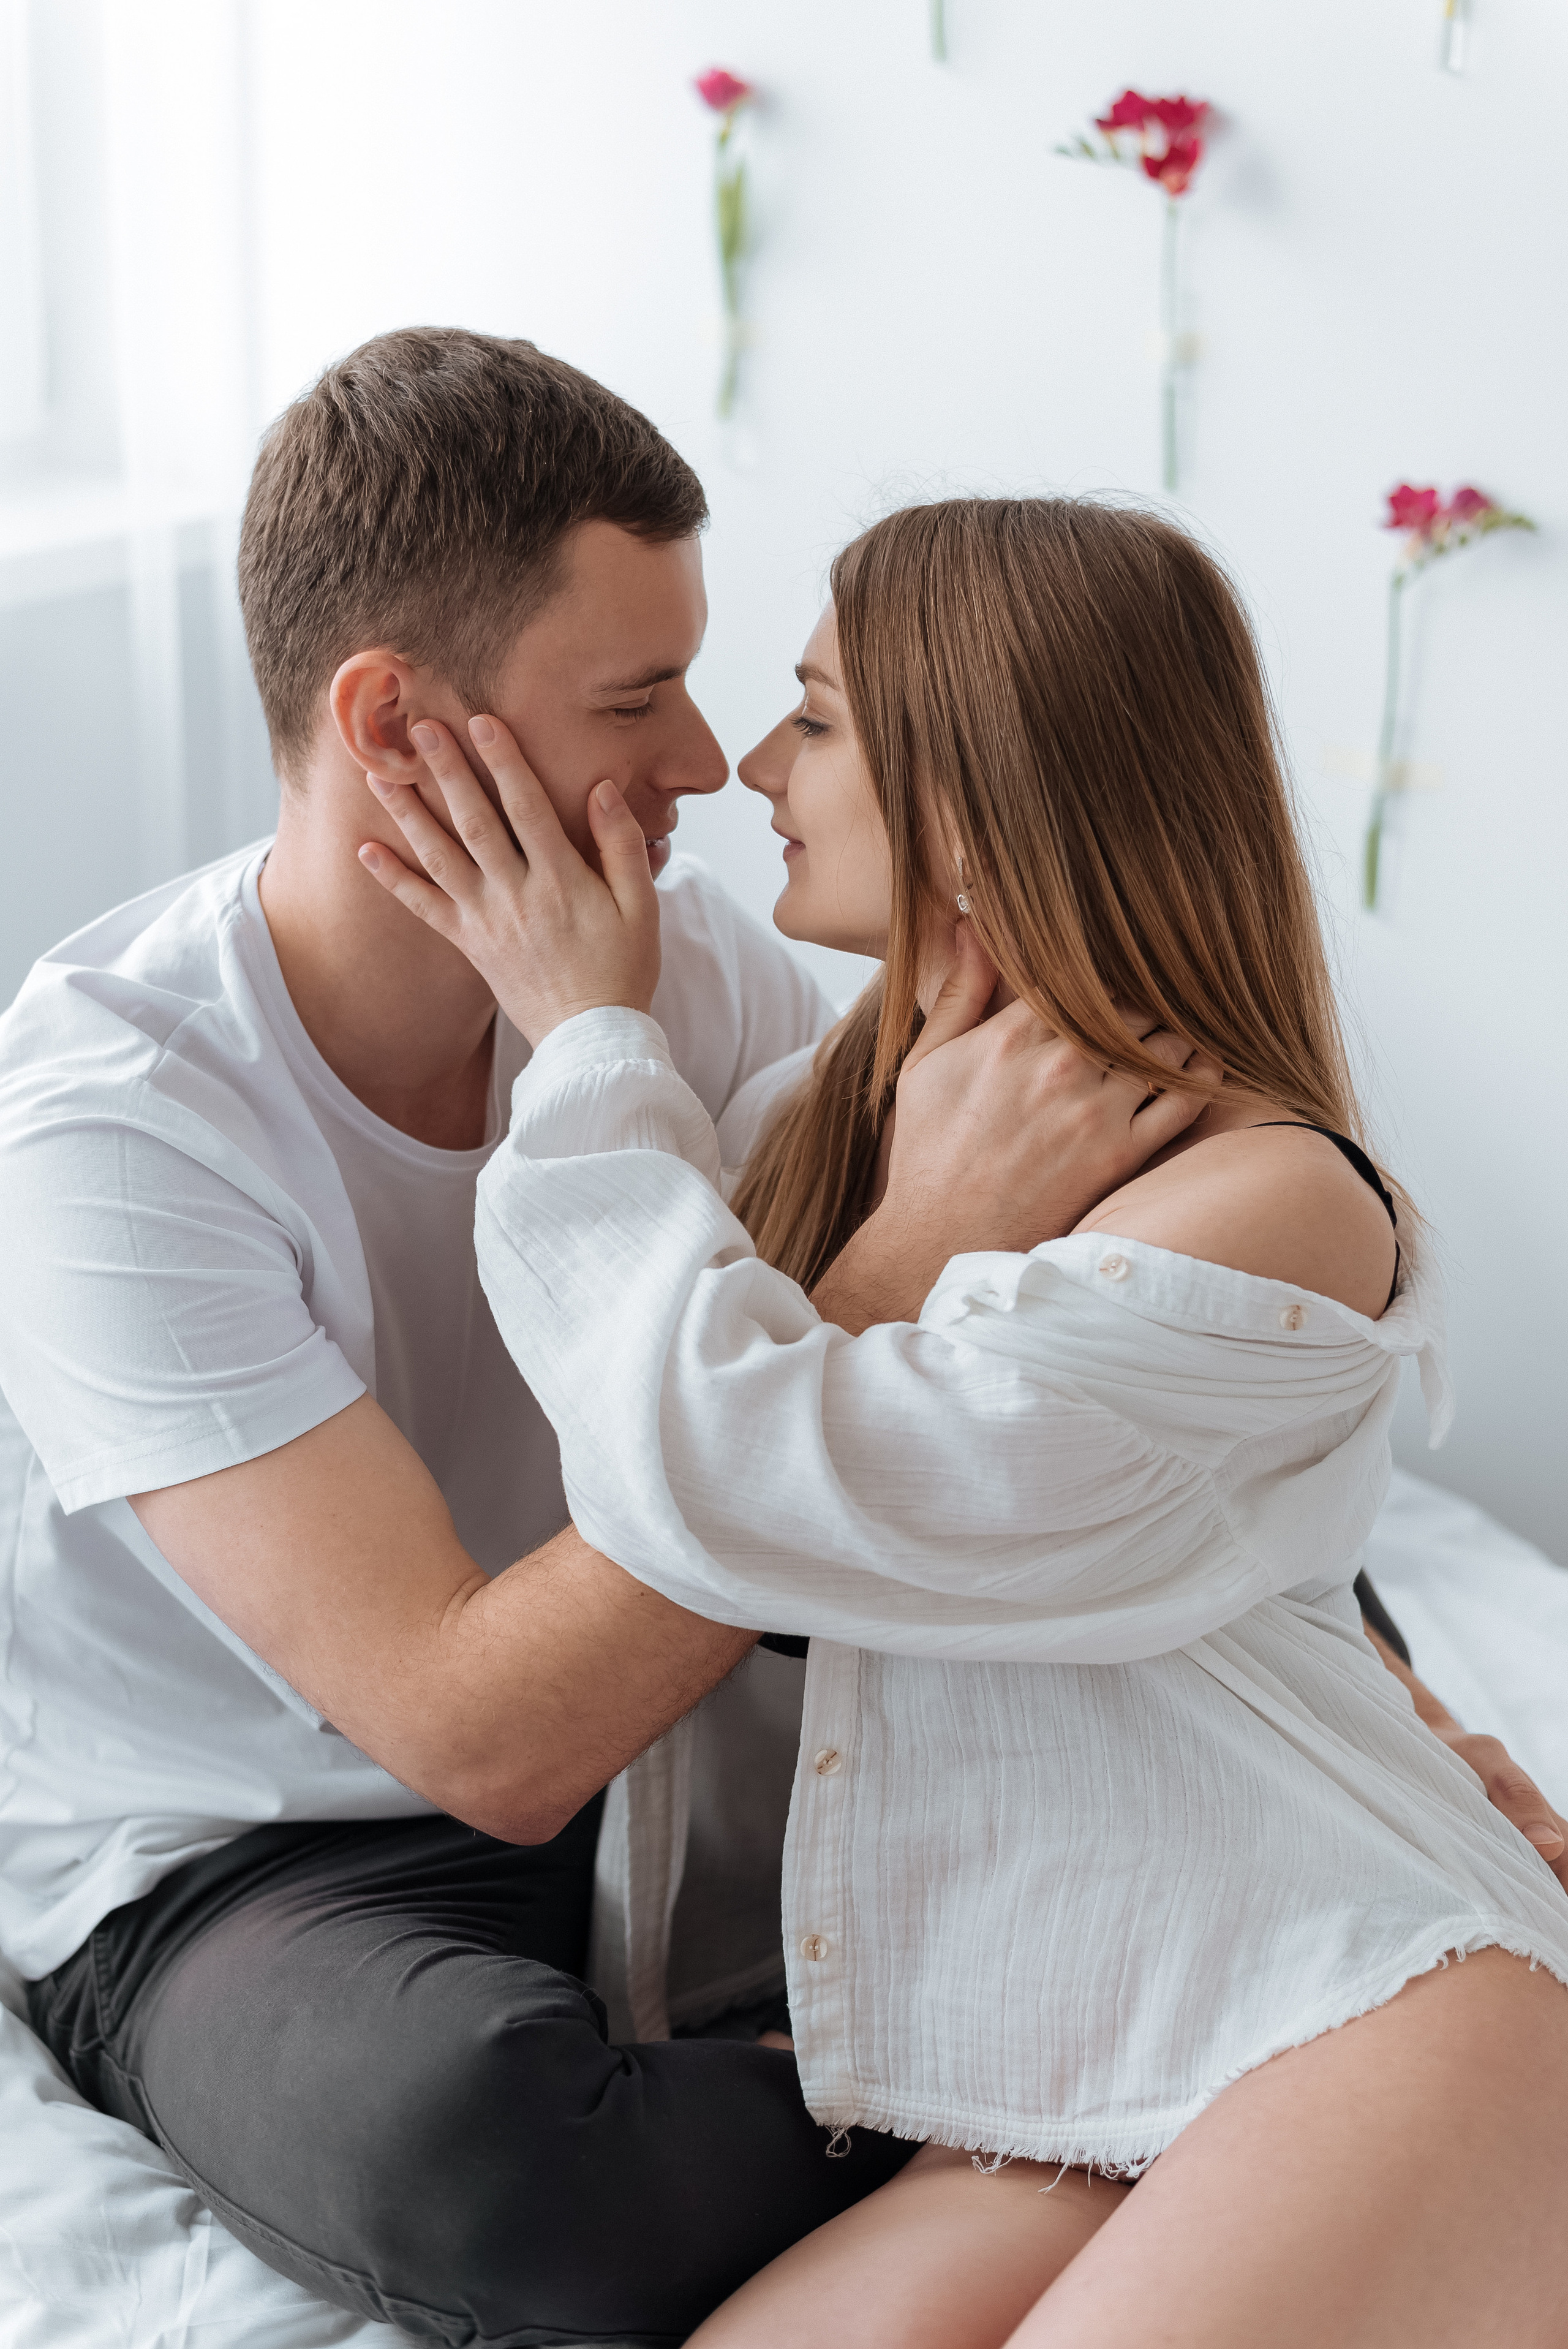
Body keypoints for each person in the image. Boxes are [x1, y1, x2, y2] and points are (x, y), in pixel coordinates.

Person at [360, 494, 1568, 2349]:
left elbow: (740, 1474)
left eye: (817, 715)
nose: (754, 762)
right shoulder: (819, 1117)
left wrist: (582, 1033)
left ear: (985, 793)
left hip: (1371, 2000)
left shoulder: (1271, 1198)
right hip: (1056, 2064)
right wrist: (914, 1225)